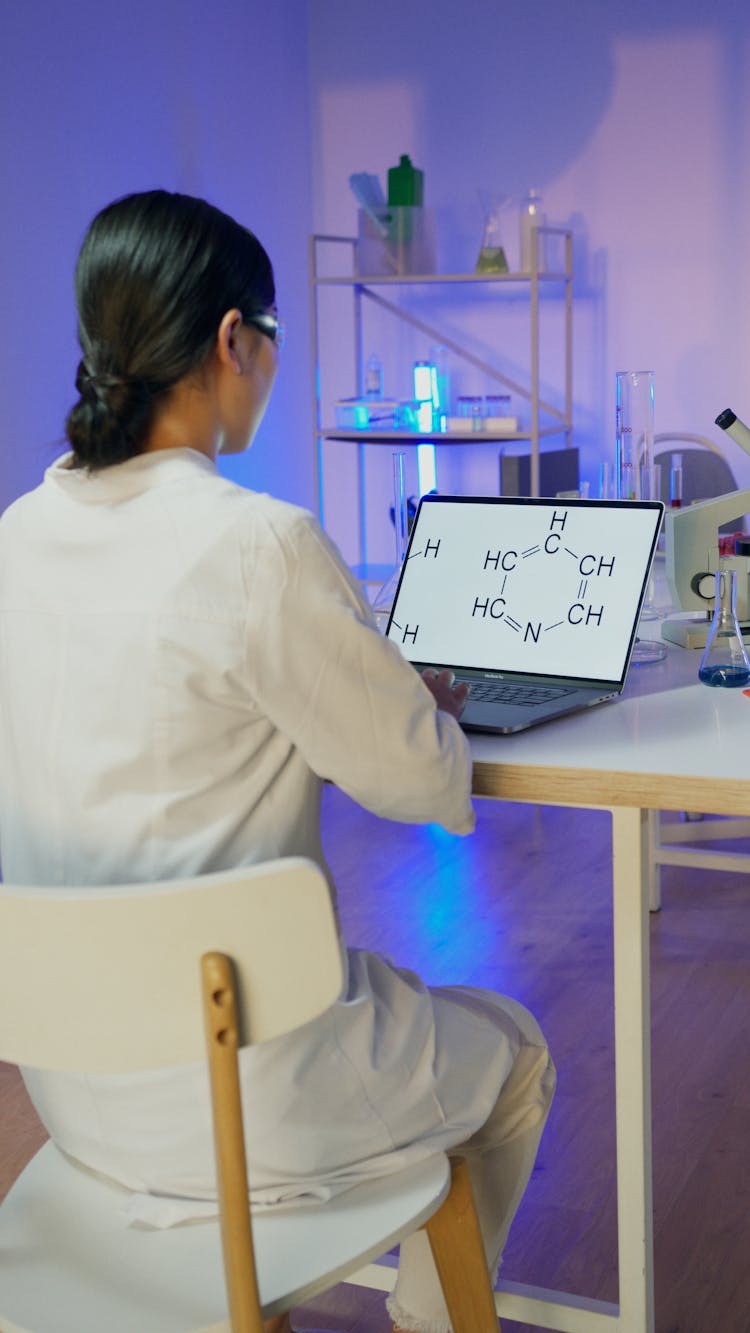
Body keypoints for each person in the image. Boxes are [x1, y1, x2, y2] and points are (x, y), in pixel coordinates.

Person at [0, 190, 555, 1333]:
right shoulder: (259, 544)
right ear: (231, 342)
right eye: (274, 340)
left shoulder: (16, 537)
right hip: (248, 1102)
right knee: (517, 1051)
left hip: (69, 1089)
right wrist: (408, 703)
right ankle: (429, 1316)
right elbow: (422, 785)